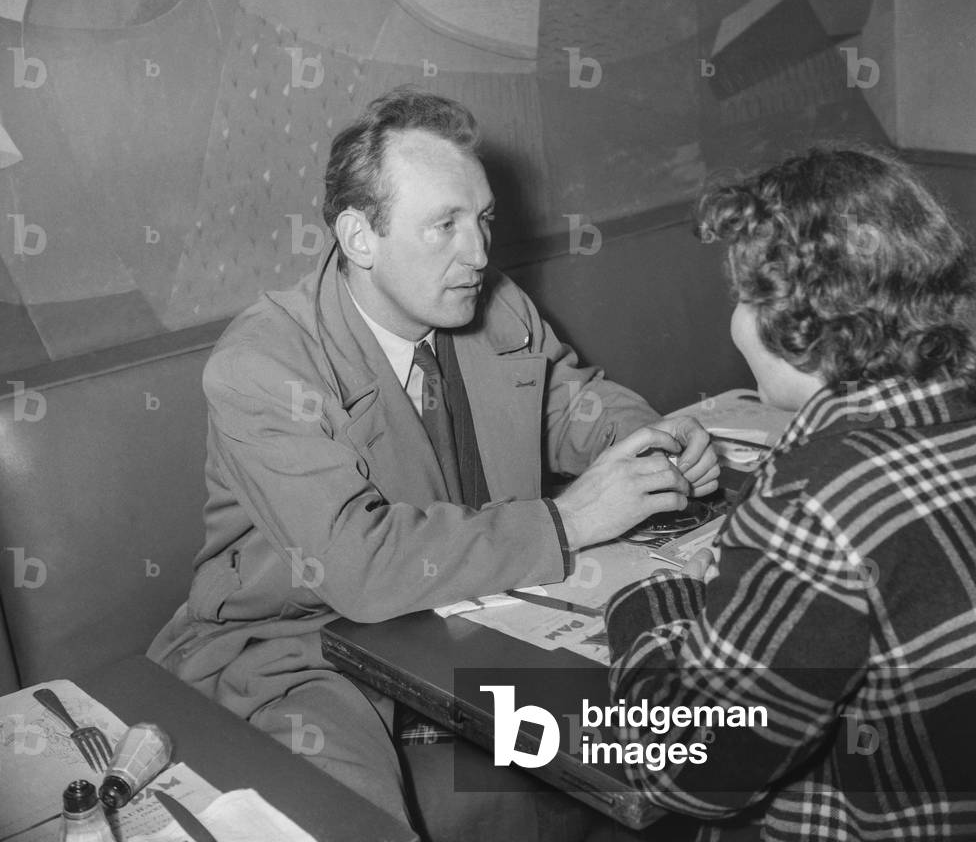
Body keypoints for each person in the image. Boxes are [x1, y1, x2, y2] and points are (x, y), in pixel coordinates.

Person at [148, 88, 719, 840]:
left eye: (482, 219)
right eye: (444, 225)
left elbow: (577, 405)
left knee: (694, 718)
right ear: (359, 237)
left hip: (462, 623)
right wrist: (571, 517)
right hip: (297, 644)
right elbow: (358, 566)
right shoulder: (261, 365)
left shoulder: (495, 305)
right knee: (358, 820)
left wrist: (652, 446)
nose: (479, 253)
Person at [603, 144, 976, 841]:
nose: (736, 320)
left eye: (745, 296)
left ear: (794, 319)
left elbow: (691, 770)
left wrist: (644, 606)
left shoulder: (814, 501)